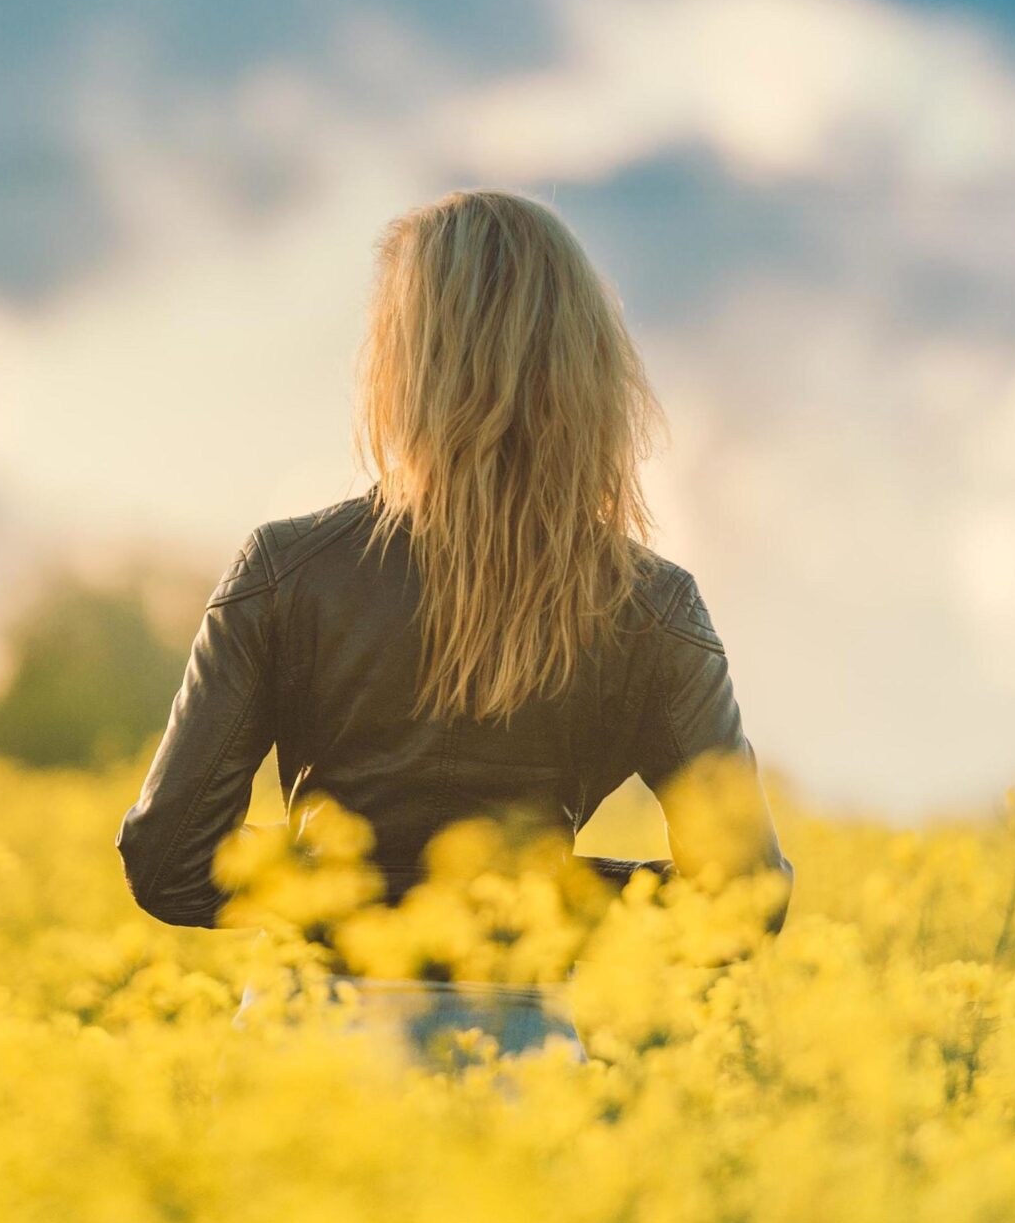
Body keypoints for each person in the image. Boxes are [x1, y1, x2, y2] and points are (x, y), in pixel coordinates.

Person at [116, 190, 791, 1067]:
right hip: (520, 1056)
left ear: (402, 364)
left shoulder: (287, 570)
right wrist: (528, 895)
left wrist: (360, 887)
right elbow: (745, 898)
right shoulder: (651, 606)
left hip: (304, 1050)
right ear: (586, 365)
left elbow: (169, 859)